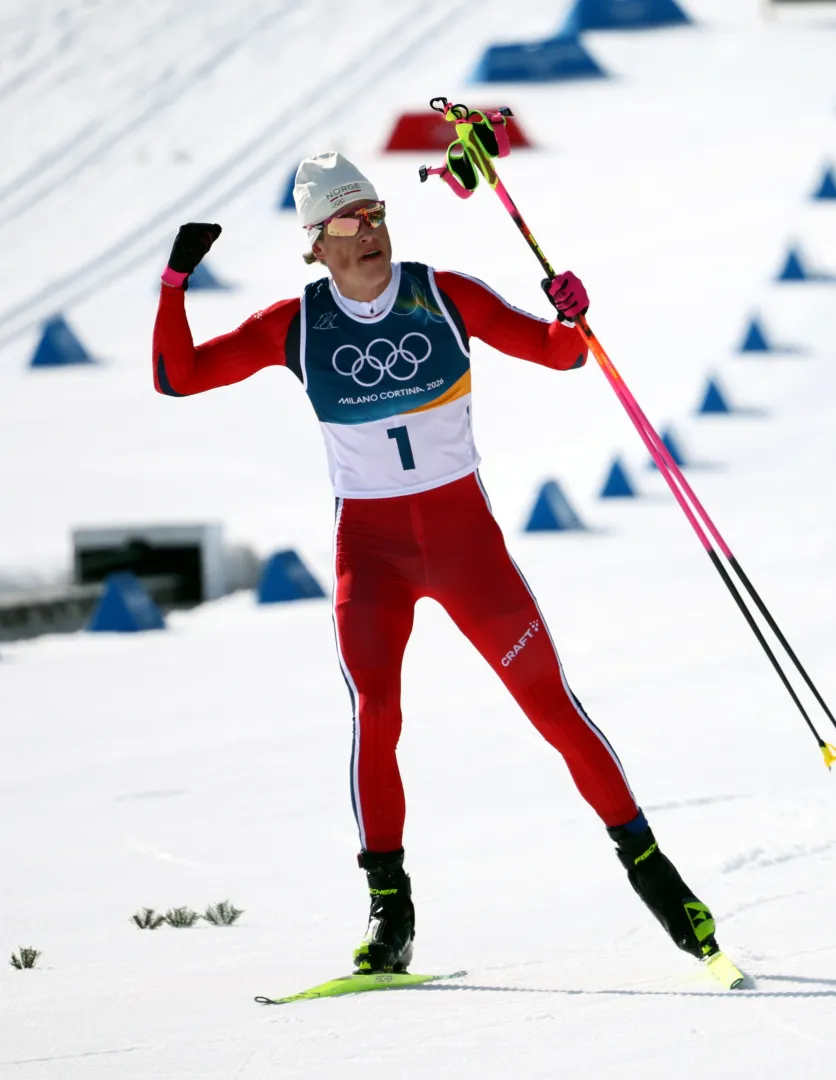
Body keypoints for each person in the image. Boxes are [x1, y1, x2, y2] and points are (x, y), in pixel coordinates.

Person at [151, 152, 726, 977]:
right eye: (351, 221)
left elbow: (562, 355)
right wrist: (174, 282)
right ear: (316, 242)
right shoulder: (295, 326)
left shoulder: (443, 295)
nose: (373, 230)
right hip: (373, 556)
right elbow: (179, 376)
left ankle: (660, 880)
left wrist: (573, 311)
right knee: (376, 716)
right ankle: (391, 914)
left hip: (467, 548)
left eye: (378, 212)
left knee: (552, 708)